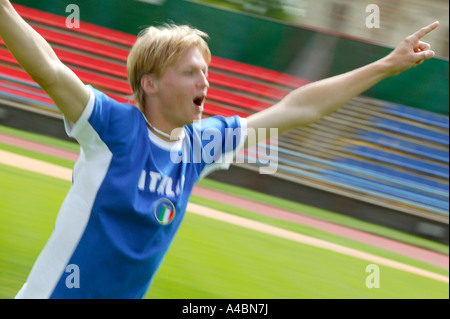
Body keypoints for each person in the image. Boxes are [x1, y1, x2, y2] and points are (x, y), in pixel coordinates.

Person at [0, 0, 439, 298]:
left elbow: (298, 108)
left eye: (206, 71)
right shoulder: (112, 126)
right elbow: (51, 70)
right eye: (191, 72)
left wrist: (386, 65)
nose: (205, 82)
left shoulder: (199, 146)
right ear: (149, 83)